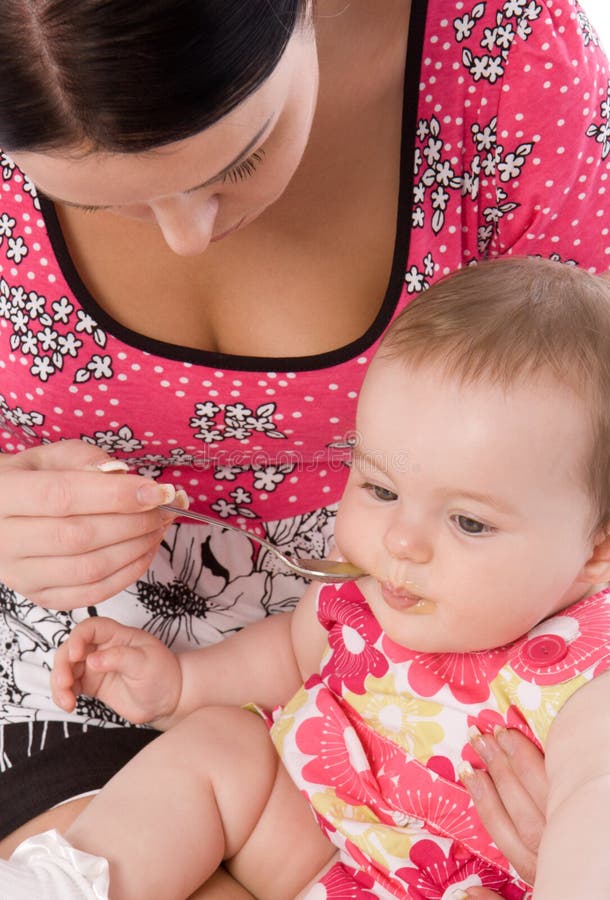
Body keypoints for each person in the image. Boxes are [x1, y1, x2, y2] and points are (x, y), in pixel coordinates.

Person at [0, 1, 608, 891]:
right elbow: (293, 651)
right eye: (99, 202)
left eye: (238, 159)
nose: (188, 237)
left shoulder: (503, 60)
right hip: (221, 745)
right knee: (212, 755)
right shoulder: (369, 592)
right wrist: (181, 686)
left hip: (456, 863)